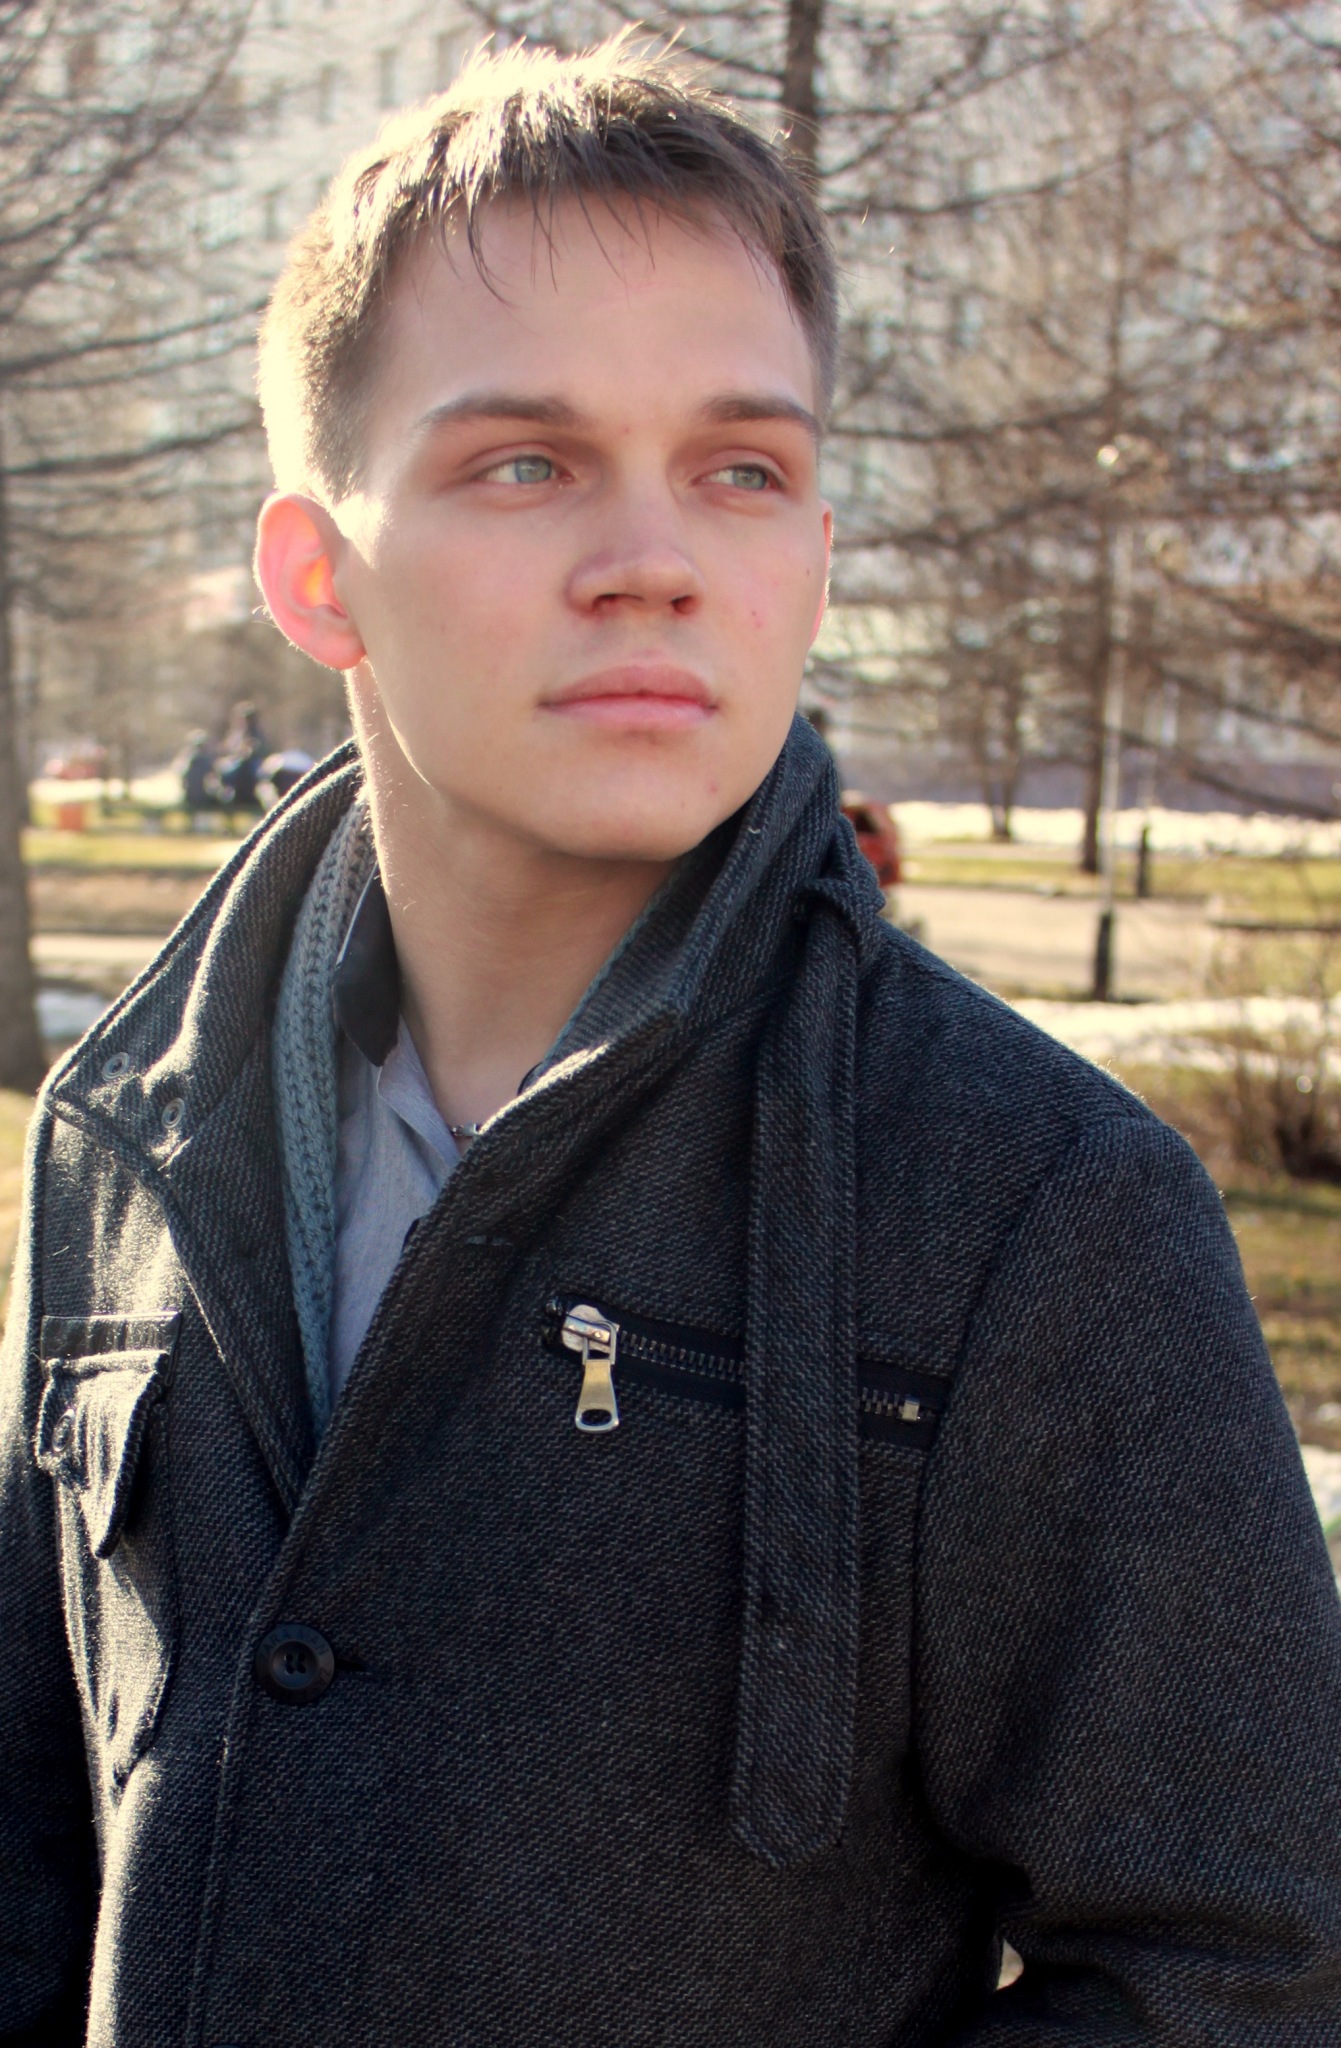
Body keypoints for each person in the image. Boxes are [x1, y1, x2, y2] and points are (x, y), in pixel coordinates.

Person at [1, 40, 1337, 2048]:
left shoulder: (1038, 1211)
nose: (656, 557)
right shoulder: (125, 1134)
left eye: (741, 469)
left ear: (813, 552)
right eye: (523, 463)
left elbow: (1240, 1972)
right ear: (317, 575)